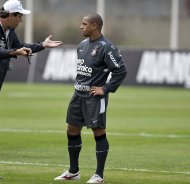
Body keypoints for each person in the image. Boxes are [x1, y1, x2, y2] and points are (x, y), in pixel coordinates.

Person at [0, 0, 63, 179]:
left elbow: (19, 46)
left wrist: (42, 45)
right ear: (10, 15)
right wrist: (15, 52)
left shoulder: (9, 31)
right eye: (19, 16)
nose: (21, 20)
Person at [54, 13, 127, 183]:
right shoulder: (82, 45)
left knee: (98, 132)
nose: (81, 26)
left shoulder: (106, 47)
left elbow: (121, 71)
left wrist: (106, 88)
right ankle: (73, 172)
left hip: (94, 97)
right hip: (78, 95)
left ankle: (99, 175)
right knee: (71, 130)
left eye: (84, 23)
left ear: (94, 26)